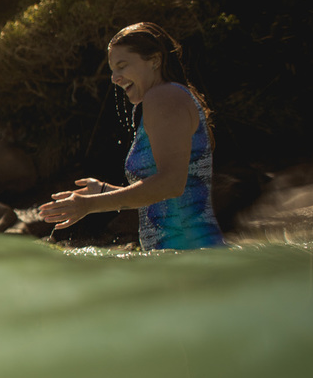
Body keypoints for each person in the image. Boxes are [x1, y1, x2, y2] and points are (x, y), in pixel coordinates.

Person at [40, 22, 226, 250]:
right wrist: (105, 191)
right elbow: (169, 199)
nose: (114, 77)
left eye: (122, 66)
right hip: (185, 258)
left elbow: (171, 183)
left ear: (155, 60)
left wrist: (89, 204)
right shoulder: (168, 97)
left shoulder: (163, 96)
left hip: (189, 256)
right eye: (112, 69)